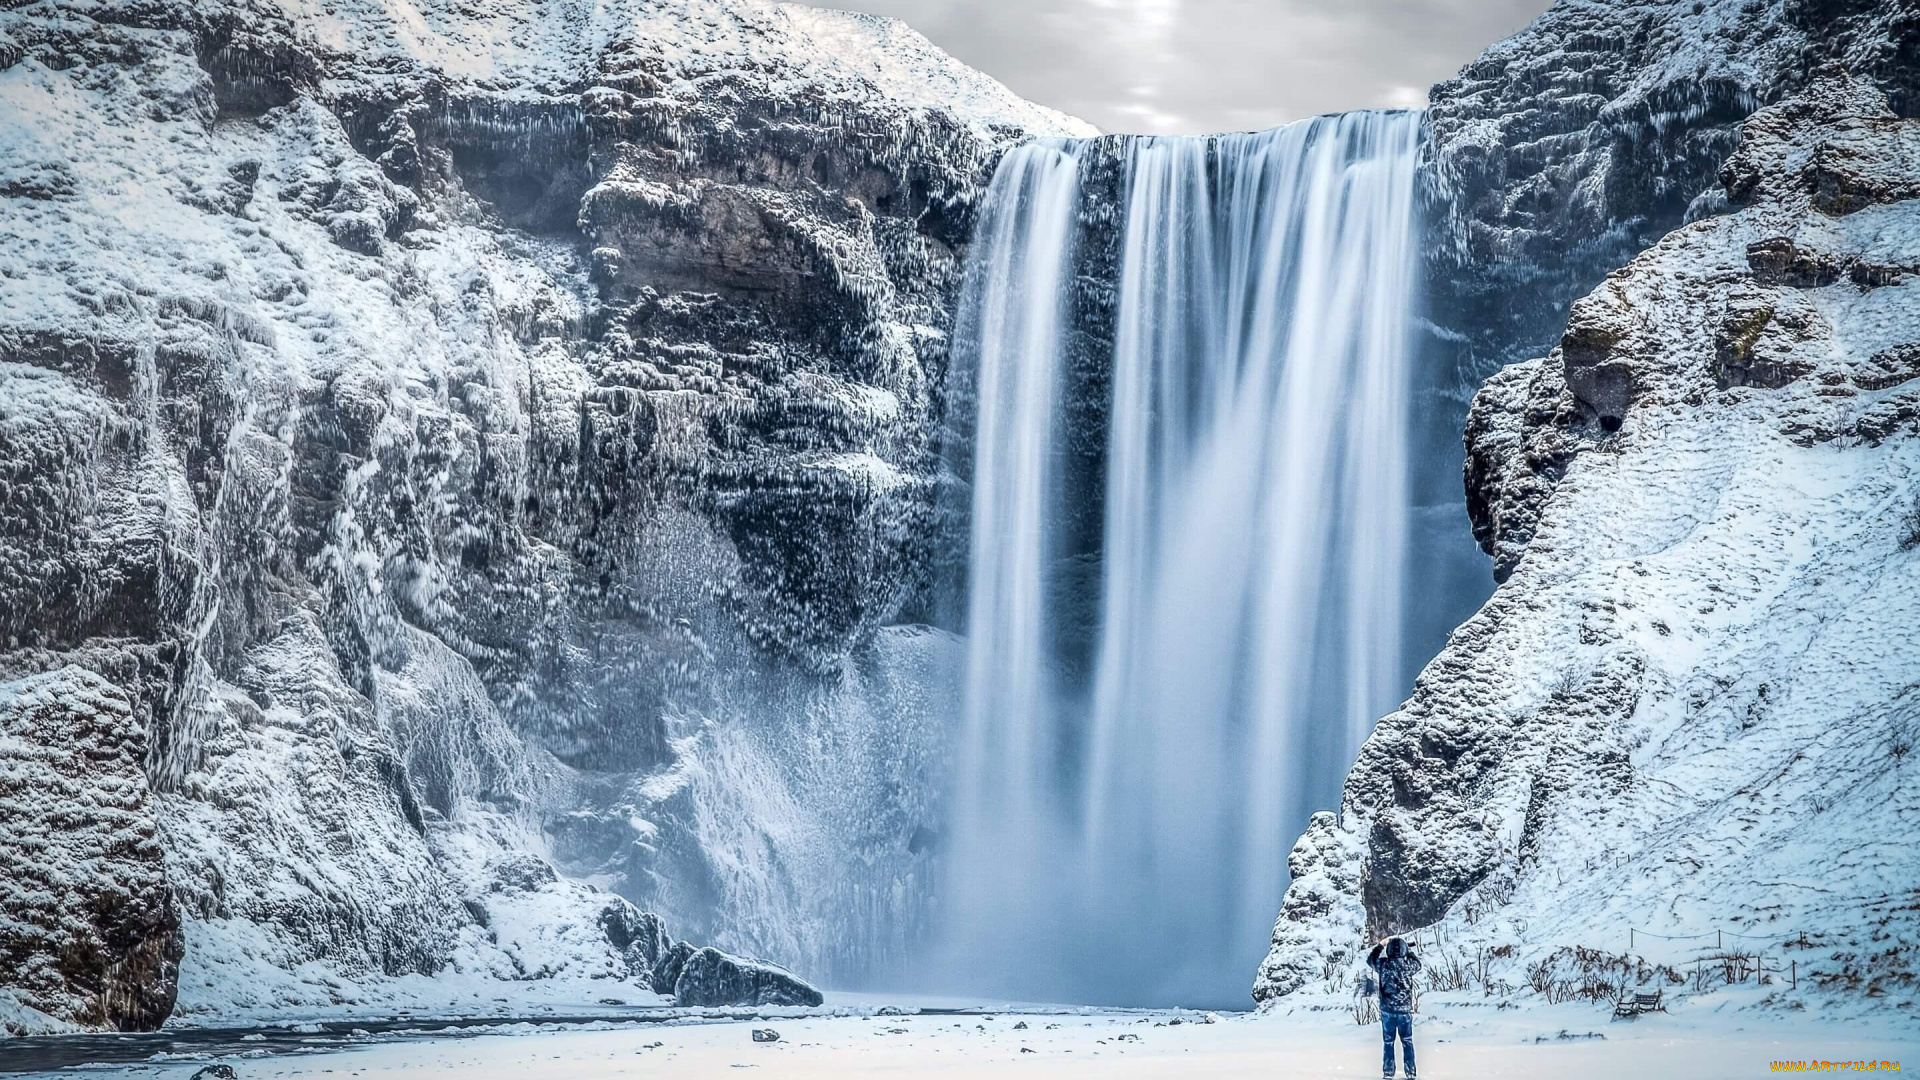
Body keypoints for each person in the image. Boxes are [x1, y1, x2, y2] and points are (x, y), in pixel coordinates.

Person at [1367, 936, 1421, 1079]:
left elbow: (1370, 960)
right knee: (1407, 1041)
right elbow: (1418, 964)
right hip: (1404, 1011)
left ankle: (1388, 1072)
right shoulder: (1408, 965)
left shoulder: (1383, 964)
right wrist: (1409, 950)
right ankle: (1410, 1072)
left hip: (1387, 1010)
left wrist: (1380, 946)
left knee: (1388, 1042)